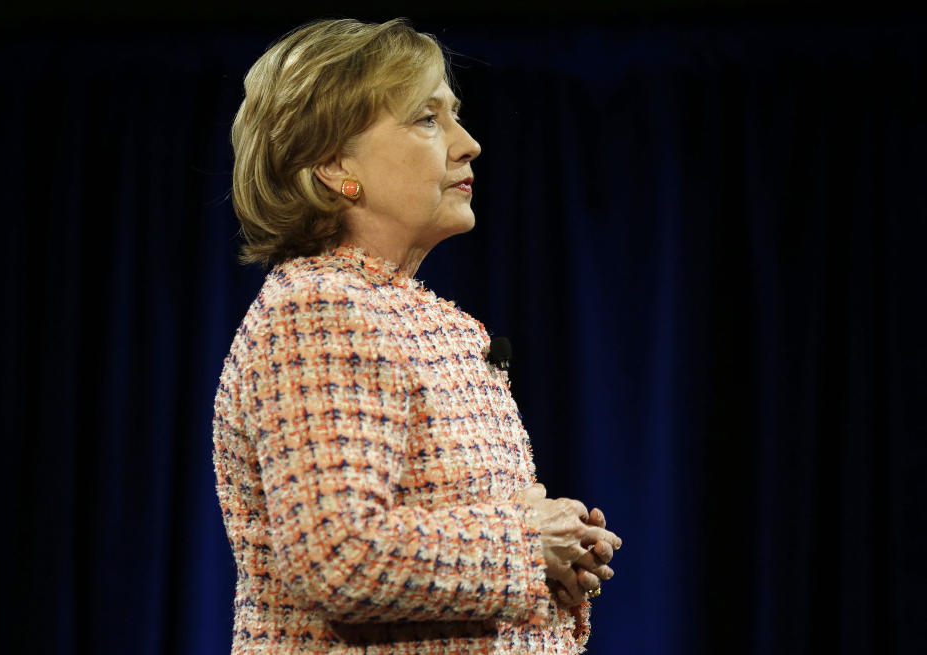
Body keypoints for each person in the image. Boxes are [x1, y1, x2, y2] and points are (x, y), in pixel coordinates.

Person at [212, 18, 622, 654]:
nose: (469, 144)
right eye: (427, 119)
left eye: (453, 114)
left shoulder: (405, 313)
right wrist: (527, 546)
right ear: (332, 163)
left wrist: (556, 547)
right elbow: (339, 556)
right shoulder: (319, 311)